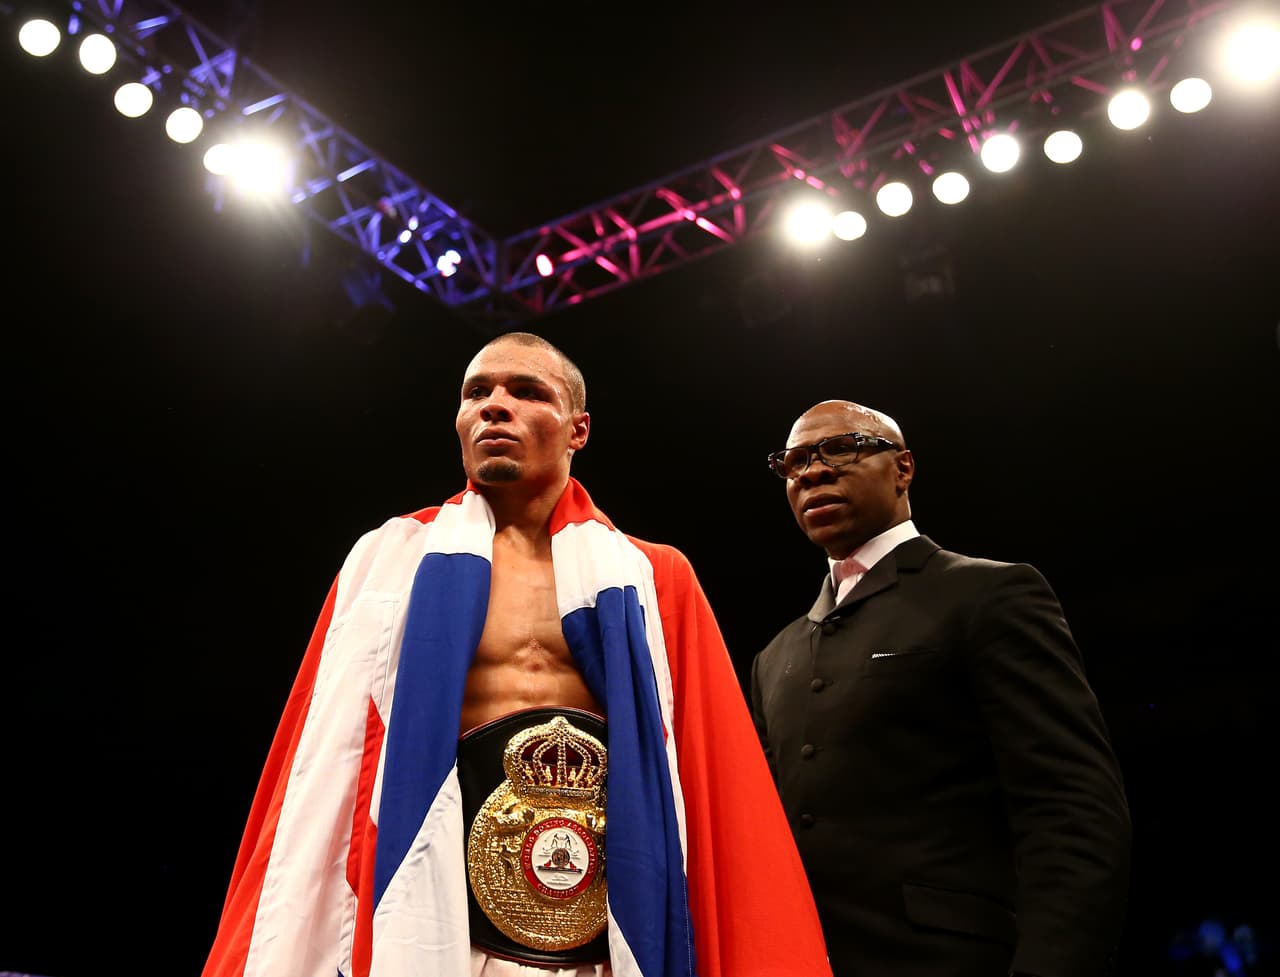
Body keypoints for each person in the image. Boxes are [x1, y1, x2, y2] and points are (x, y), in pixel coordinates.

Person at [201, 332, 832, 977]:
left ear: (578, 430)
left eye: (527, 391)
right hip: (442, 932)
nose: (494, 405)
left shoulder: (654, 577)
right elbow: (323, 766)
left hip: (601, 941)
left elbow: (710, 776)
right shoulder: (389, 564)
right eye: (477, 392)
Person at [750, 399, 1132, 977]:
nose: (813, 472)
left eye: (841, 448)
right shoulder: (774, 656)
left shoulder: (988, 595)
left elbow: (1073, 807)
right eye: (795, 461)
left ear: (903, 468)